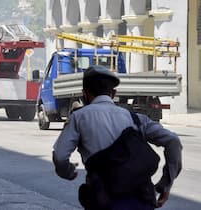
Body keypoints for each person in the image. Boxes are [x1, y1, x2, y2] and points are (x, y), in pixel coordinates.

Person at [52, 65, 182, 210]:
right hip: (143, 200)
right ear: (113, 93)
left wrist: (68, 171)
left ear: (84, 94)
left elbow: (60, 156)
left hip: (105, 201)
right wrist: (166, 183)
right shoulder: (137, 119)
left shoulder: (79, 117)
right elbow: (173, 141)